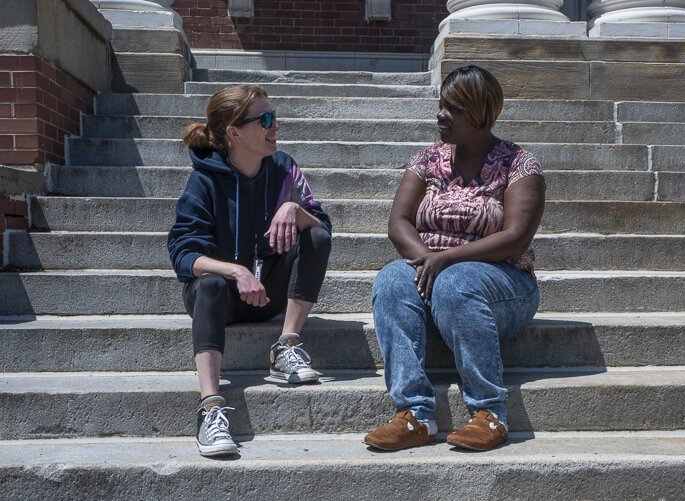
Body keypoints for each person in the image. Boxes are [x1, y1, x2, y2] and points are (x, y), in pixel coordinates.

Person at [364, 65, 545, 452]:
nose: (440, 115)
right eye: (441, 106)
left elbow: (516, 237)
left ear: (480, 113)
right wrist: (429, 259)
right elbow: (398, 223)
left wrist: (447, 261)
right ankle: (414, 414)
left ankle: (490, 413)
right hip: (433, 273)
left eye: (453, 109)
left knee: (457, 281)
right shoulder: (428, 159)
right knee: (392, 279)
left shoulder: (520, 164)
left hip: (503, 284)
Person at [167, 85, 332, 457]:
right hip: (220, 300)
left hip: (268, 294)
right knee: (208, 283)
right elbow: (182, 252)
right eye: (266, 120)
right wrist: (235, 272)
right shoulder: (205, 180)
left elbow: (323, 226)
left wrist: (295, 210)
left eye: (275, 118)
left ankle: (287, 344)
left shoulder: (285, 169)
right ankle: (210, 407)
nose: (276, 127)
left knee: (316, 236)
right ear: (234, 132)